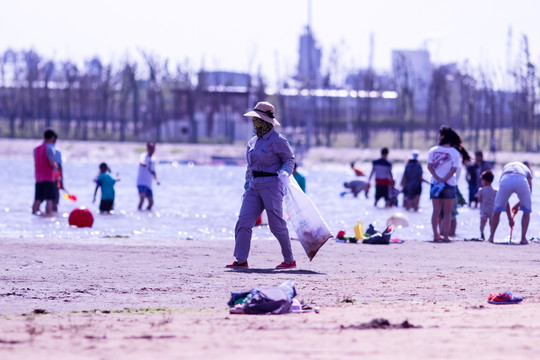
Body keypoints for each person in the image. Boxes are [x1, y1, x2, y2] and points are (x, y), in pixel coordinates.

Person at [227, 101, 296, 269]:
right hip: (254, 186)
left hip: (272, 185)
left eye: (258, 119)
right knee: (244, 220)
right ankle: (241, 260)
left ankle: (289, 260)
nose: (254, 123)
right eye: (254, 120)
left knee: (276, 225)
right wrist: (246, 185)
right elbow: (249, 167)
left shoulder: (278, 140)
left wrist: (285, 171)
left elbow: (289, 159)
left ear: (266, 121)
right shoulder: (252, 142)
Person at [427, 126, 463, 242]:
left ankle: (436, 235)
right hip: (450, 184)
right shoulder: (454, 152)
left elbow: (429, 167)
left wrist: (438, 178)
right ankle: (446, 236)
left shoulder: (433, 150)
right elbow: (454, 169)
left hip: (435, 184)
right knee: (447, 212)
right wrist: (445, 179)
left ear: (442, 137)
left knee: (436, 211)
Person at [488, 161, 532, 244]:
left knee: (497, 210)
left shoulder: (506, 167)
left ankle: (491, 237)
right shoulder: (527, 170)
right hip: (521, 180)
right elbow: (529, 193)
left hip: (506, 178)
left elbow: (505, 201)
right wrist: (519, 205)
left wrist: (510, 219)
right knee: (526, 211)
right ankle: (523, 238)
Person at [32, 129, 58, 216]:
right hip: (48, 178)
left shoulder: (36, 149)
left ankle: (33, 213)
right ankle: (48, 215)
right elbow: (51, 163)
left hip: (38, 177)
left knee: (37, 199)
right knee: (49, 199)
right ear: (52, 138)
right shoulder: (49, 149)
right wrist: (56, 166)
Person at [137, 142, 159, 210]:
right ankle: (139, 213)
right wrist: (143, 163)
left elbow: (153, 171)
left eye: (152, 148)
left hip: (149, 184)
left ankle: (147, 215)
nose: (151, 150)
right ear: (147, 148)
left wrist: (157, 179)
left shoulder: (153, 160)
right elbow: (141, 161)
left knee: (151, 203)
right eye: (150, 148)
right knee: (142, 200)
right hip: (141, 183)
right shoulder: (143, 156)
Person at [476, 170, 497, 241]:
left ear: (484, 181)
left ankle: (482, 234)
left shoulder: (481, 190)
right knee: (492, 223)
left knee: (482, 223)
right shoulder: (495, 190)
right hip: (492, 209)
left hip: (484, 209)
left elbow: (479, 200)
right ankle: (491, 235)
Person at [49, 134, 64, 213]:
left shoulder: (42, 149)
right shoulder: (56, 151)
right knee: (54, 200)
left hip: (44, 178)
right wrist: (61, 181)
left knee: (48, 199)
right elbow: (59, 167)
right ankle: (54, 215)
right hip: (54, 178)